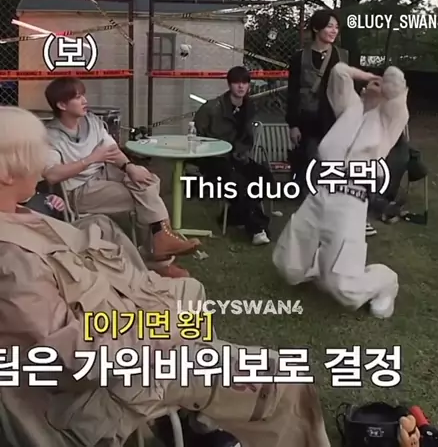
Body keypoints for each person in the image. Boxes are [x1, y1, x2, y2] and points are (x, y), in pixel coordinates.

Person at [0, 105, 331, 447]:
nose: (45, 160)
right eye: (37, 150)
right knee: (283, 380)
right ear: (7, 172)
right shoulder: (11, 260)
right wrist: (159, 331)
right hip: (107, 387)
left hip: (125, 343)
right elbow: (63, 358)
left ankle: (194, 418)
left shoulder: (23, 216)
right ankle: (196, 408)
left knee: (189, 291)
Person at [273, 62, 409, 319]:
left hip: (350, 201)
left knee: (344, 289)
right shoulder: (350, 108)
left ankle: (385, 281)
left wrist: (388, 83)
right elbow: (338, 72)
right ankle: (321, 265)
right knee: (289, 267)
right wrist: (367, 75)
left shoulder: (388, 121)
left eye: (381, 84)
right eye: (372, 82)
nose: (376, 85)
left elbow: (397, 94)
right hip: (320, 192)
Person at [42, 76, 200, 279]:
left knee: (147, 181)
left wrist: (129, 167)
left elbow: (113, 150)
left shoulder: (91, 121)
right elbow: (51, 175)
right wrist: (91, 159)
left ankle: (160, 243)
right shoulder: (50, 136)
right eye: (78, 97)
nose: (85, 100)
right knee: (145, 198)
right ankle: (159, 257)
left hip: (104, 172)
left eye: (84, 95)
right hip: (79, 189)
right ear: (62, 105)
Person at [286, 10, 376, 237]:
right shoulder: (299, 58)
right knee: (313, 164)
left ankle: (352, 215)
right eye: (329, 26)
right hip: (310, 120)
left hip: (339, 119)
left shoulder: (343, 56)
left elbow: (355, 88)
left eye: (336, 26)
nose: (334, 30)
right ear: (316, 28)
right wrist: (293, 124)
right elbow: (292, 93)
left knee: (344, 168)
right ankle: (314, 216)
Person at [194, 66, 273, 246]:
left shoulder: (249, 107)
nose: (241, 86)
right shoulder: (212, 108)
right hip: (215, 160)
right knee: (239, 183)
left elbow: (248, 138)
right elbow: (197, 137)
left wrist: (240, 152)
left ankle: (234, 216)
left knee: (264, 178)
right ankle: (257, 229)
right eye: (237, 82)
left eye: (244, 82)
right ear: (229, 85)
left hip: (238, 157)